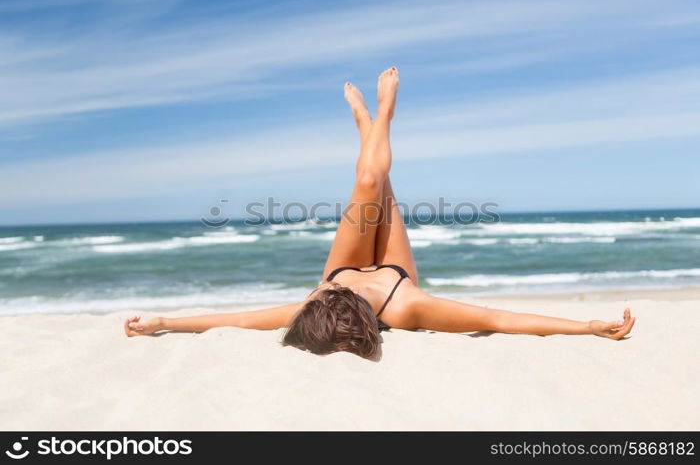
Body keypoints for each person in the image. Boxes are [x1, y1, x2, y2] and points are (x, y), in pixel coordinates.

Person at [124, 67, 636, 359]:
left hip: (345, 262)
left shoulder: (318, 295)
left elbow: (234, 320)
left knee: (364, 180)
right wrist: (584, 326)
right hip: (396, 276)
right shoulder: (407, 309)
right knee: (382, 183)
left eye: (323, 296)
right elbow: (497, 320)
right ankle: (376, 124)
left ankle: (376, 118)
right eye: (327, 297)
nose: (323, 294)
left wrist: (163, 320)